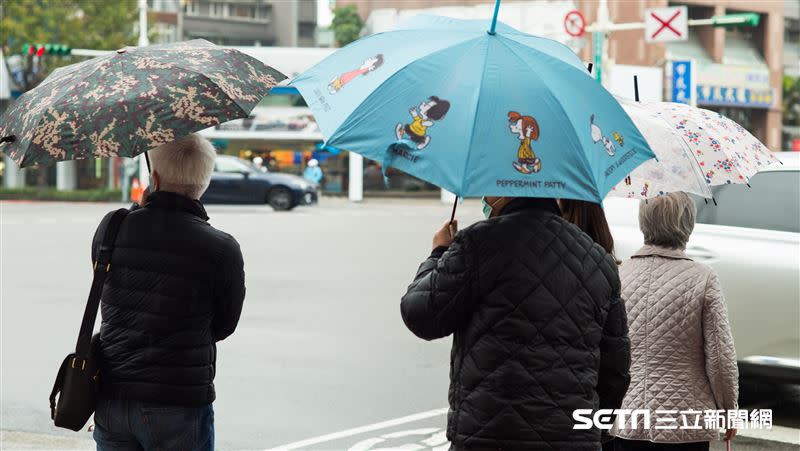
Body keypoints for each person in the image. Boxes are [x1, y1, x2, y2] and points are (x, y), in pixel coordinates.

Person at [400, 196, 631, 451]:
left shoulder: (478, 243)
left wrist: (438, 253)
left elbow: (421, 315)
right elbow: (614, 371)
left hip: (487, 436)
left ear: (507, 189)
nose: (487, 198)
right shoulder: (598, 260)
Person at [91, 134, 246, 451]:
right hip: (179, 401)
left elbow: (110, 287)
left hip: (112, 395)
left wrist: (140, 208)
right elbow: (224, 325)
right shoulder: (222, 247)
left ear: (154, 177)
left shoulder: (113, 226)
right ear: (204, 183)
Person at [609, 192, 738, 451]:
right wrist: (728, 409)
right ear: (688, 224)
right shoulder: (702, 278)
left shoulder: (619, 274)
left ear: (643, 222)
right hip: (685, 423)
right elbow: (720, 355)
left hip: (626, 416)